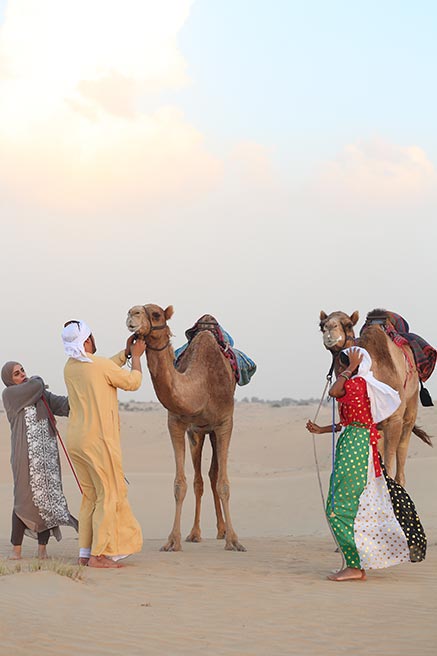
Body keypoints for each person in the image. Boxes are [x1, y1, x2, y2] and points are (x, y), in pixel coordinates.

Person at [306, 346, 426, 581]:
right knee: (343, 506)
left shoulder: (357, 384)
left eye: (344, 363)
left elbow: (334, 391)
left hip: (355, 446)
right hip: (355, 440)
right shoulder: (363, 386)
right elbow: (351, 421)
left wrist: (350, 369)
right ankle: (355, 563)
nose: (341, 368)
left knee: (338, 509)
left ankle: (355, 565)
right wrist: (322, 430)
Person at [62, 320, 145, 569]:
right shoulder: (96, 366)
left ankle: (85, 553)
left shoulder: (71, 366)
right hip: (97, 440)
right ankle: (100, 555)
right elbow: (133, 383)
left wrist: (125, 353)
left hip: (76, 440)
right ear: (86, 340)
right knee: (109, 494)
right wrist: (137, 358)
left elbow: (102, 368)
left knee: (91, 496)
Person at [2, 361, 78, 560]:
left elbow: (63, 405)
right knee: (23, 501)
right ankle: (16, 551)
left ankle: (42, 551)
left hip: (48, 459)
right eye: (16, 374)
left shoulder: (40, 395)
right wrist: (38, 382)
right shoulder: (10, 395)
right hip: (24, 458)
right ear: (9, 381)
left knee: (47, 501)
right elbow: (36, 385)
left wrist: (82, 395)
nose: (22, 375)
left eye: (22, 371)